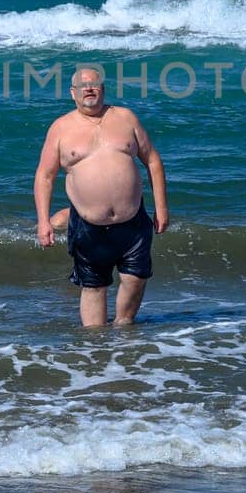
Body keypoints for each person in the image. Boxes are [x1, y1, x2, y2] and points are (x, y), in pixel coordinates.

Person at [34, 65, 169, 327]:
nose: (89, 89)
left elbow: (152, 160)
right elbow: (45, 176)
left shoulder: (126, 118)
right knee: (94, 287)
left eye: (94, 85)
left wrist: (161, 208)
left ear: (103, 90)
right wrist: (43, 221)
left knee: (136, 278)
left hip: (133, 221)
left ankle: (123, 333)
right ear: (73, 93)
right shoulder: (61, 128)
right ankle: (95, 351)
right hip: (89, 227)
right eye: (83, 87)